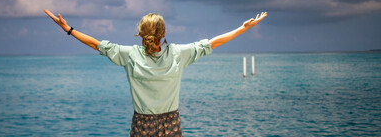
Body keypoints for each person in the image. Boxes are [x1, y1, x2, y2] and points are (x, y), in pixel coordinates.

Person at [44, 9, 267, 137]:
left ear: (140, 34)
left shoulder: (130, 55)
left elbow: (96, 44)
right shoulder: (178, 53)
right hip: (171, 122)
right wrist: (242, 28)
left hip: (142, 123)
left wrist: (68, 29)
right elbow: (212, 43)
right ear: (165, 33)